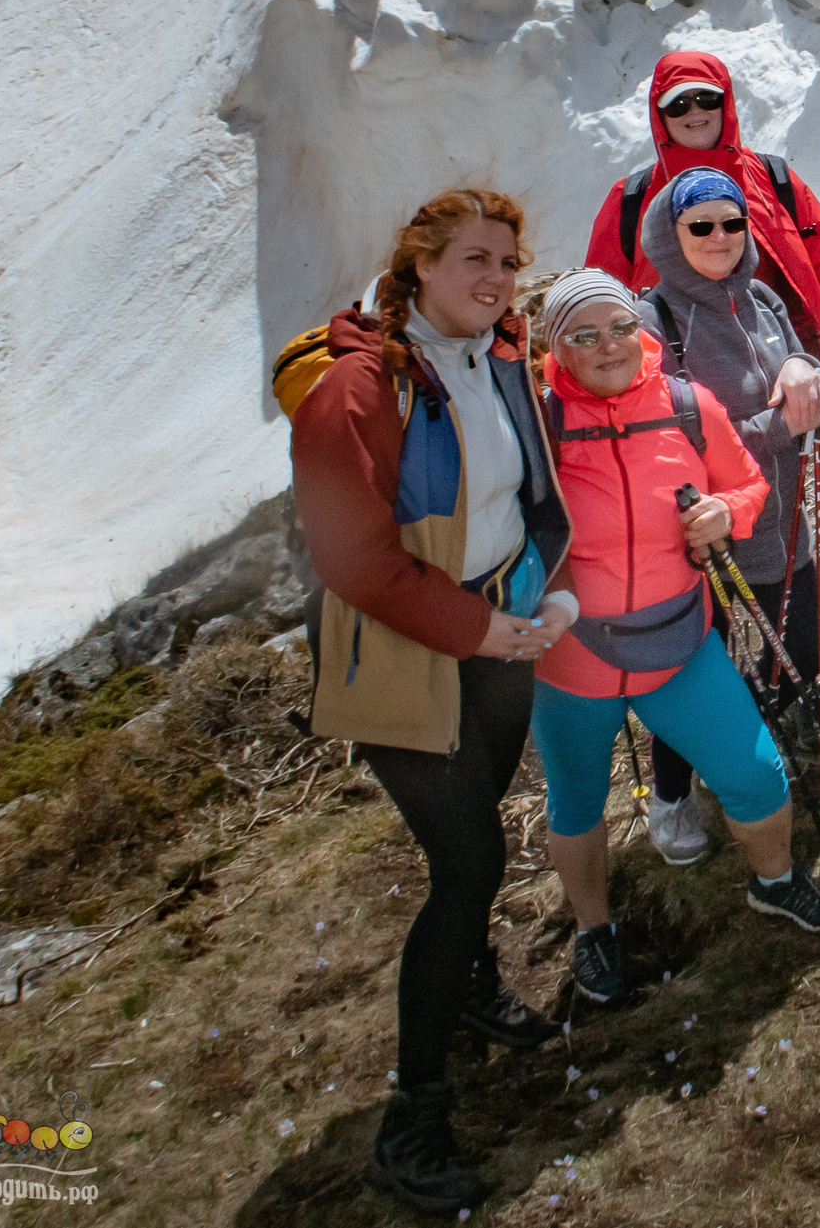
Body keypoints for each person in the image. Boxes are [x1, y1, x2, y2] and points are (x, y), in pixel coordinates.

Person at [287, 189, 572, 1215]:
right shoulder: (358, 389)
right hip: (408, 650)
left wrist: (541, 591)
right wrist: (478, 629)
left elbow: (526, 492)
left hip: (500, 625)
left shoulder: (496, 353)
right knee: (470, 858)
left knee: (481, 822)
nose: (495, 278)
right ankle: (415, 1115)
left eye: (506, 260)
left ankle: (466, 985)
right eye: (473, 260)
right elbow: (352, 558)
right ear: (418, 267)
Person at [528, 270, 820, 1009]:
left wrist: (723, 516)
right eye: (585, 334)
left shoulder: (683, 403)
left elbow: (747, 485)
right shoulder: (541, 425)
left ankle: (775, 880)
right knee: (576, 800)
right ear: (557, 346)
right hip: (574, 653)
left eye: (619, 326)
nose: (609, 345)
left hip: (679, 637)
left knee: (756, 772)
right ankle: (595, 930)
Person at [633, 168, 820, 856]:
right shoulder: (651, 322)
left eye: (732, 223)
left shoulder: (759, 297)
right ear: (671, 233)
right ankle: (671, 797)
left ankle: (759, 741)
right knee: (693, 674)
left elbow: (793, 359)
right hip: (700, 539)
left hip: (781, 523)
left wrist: (803, 369)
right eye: (701, 226)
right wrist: (781, 425)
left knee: (805, 644)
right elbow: (674, 443)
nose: (720, 237)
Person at [582, 50, 820, 429]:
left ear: (726, 103)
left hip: (776, 365)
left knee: (782, 479)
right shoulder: (631, 198)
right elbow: (600, 299)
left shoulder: (773, 177)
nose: (694, 112)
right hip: (679, 380)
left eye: (707, 99)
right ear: (659, 115)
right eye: (678, 105)